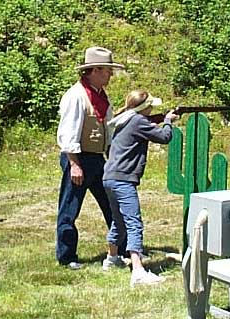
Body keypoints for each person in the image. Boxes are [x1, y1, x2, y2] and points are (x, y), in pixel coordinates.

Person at [56, 47, 125, 269]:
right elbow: (68, 132)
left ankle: (120, 250)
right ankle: (67, 256)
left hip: (96, 159)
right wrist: (74, 164)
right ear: (94, 70)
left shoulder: (100, 95)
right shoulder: (76, 96)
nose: (110, 75)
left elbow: (108, 127)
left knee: (111, 204)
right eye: (107, 70)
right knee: (70, 208)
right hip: (79, 158)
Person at [102, 90, 178, 286]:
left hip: (110, 177)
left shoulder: (125, 119)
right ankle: (138, 270)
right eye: (150, 106)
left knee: (118, 221)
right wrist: (168, 120)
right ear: (144, 108)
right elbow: (164, 136)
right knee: (133, 223)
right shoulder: (137, 121)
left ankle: (112, 258)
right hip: (123, 179)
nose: (152, 109)